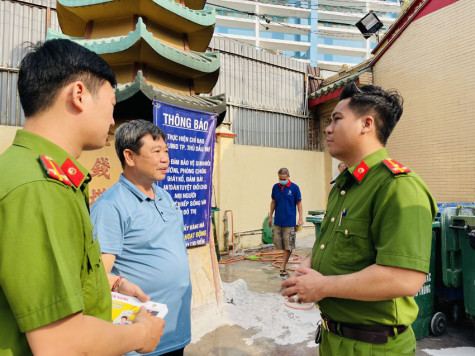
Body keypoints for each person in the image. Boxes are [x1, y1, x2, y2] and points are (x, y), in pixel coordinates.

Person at [0, 39, 164, 355]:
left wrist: (112, 285)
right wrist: (141, 335)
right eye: (112, 105)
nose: (113, 122)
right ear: (79, 95)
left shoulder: (34, 173)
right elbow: (61, 344)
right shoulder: (41, 187)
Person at [281, 83, 437, 355]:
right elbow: (335, 247)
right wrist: (307, 268)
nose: (328, 128)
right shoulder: (344, 186)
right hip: (333, 340)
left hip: (374, 346)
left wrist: (322, 286)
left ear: (366, 124)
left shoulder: (397, 186)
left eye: (336, 119)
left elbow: (405, 278)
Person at [90, 119, 192, 356]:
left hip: (176, 331)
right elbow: (96, 276)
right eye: (156, 151)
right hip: (139, 342)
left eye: (166, 151)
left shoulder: (164, 196)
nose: (165, 158)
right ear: (130, 156)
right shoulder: (111, 206)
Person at [268, 168, 303, 277]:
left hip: (289, 222)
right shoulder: (275, 187)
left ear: (288, 177)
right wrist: (270, 217)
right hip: (278, 221)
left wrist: (300, 218)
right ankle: (284, 261)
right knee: (279, 244)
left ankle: (283, 266)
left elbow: (299, 204)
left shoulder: (294, 188)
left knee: (289, 245)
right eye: (280, 178)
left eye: (284, 179)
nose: (282, 180)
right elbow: (273, 202)